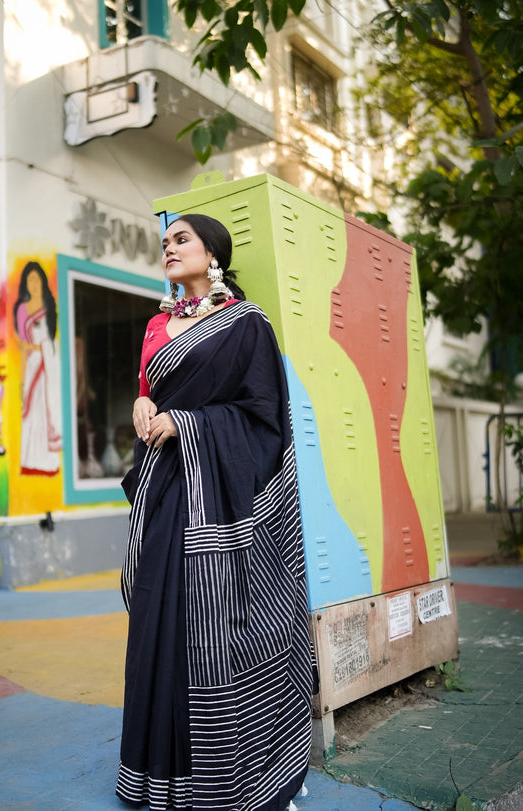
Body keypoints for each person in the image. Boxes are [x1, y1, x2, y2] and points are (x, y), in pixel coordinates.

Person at [117, 214, 315, 811]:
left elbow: (263, 415)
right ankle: (157, 775)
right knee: (158, 620)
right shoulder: (159, 325)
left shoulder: (247, 325)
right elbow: (155, 388)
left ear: (214, 253)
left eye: (181, 240)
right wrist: (144, 402)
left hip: (220, 499)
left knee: (216, 627)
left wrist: (189, 424)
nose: (169, 249)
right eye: (165, 243)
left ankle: (231, 776)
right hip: (166, 492)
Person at [13, 261, 62, 475]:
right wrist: (22, 381)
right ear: (25, 283)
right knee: (32, 415)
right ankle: (31, 461)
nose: (33, 284)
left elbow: (51, 343)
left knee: (47, 410)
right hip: (33, 366)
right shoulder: (22, 309)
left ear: (42, 282)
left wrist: (41, 348)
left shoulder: (50, 308)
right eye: (29, 279)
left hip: (48, 370)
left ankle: (49, 463)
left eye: (37, 279)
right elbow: (23, 347)